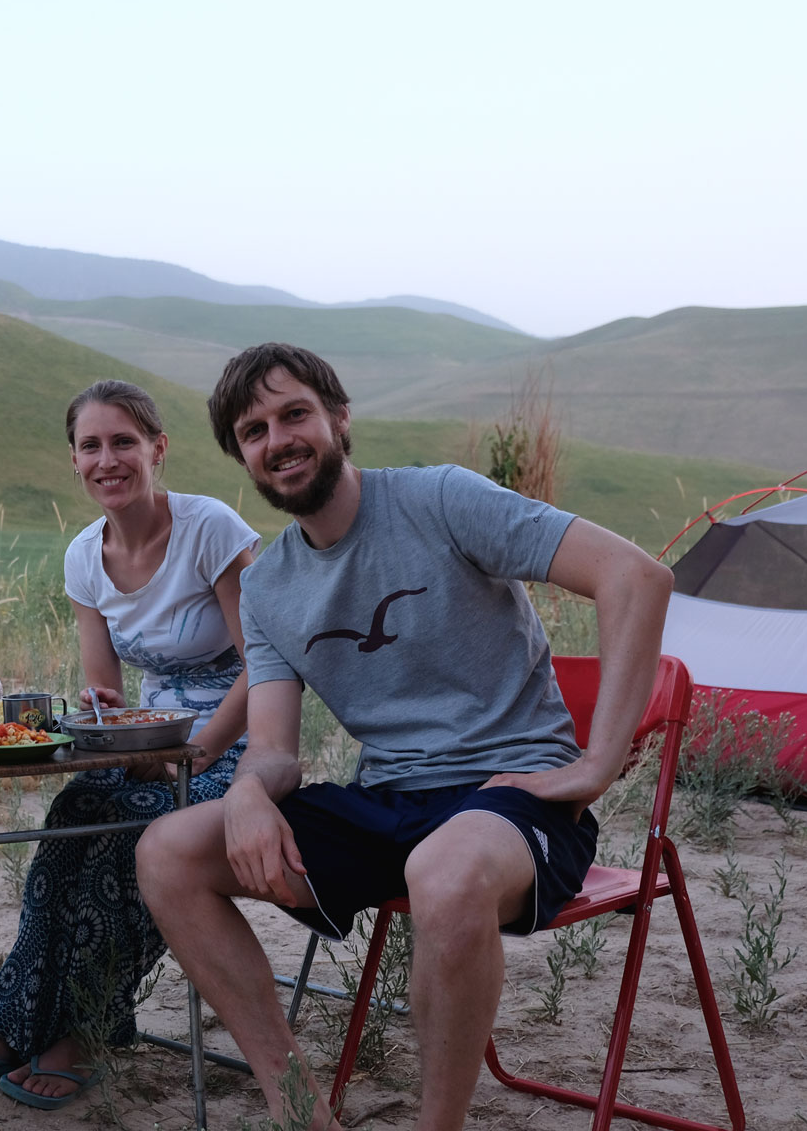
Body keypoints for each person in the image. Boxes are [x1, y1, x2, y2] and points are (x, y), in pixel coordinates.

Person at [136, 344, 674, 1130]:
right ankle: (300, 1111)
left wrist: (596, 764)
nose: (278, 439)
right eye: (254, 429)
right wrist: (250, 788)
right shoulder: (267, 586)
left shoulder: (441, 500)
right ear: (241, 455)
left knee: (445, 869)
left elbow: (636, 577)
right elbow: (277, 746)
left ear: (339, 418)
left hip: (510, 797)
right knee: (167, 850)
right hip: (387, 799)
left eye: (295, 414)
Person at [0, 380, 261, 1110]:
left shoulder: (212, 529)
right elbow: (104, 691)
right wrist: (107, 720)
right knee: (72, 818)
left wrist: (196, 751)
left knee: (137, 835)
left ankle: (85, 1029)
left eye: (124, 442)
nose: (107, 459)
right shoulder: (85, 556)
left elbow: (268, 665)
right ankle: (13, 1024)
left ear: (157, 450)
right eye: (90, 446)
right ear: (73, 461)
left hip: (240, 746)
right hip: (154, 737)